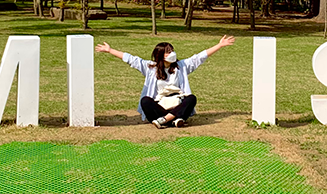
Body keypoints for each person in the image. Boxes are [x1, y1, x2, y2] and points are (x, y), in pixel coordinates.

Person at [95, 36, 235, 128]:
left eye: (172, 50)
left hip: (177, 102)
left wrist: (219, 45)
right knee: (145, 101)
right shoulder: (150, 67)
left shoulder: (181, 66)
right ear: (160, 55)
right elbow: (132, 59)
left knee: (191, 99)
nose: (172, 53)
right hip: (160, 104)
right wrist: (110, 50)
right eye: (168, 52)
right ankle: (174, 120)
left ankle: (165, 120)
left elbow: (199, 57)